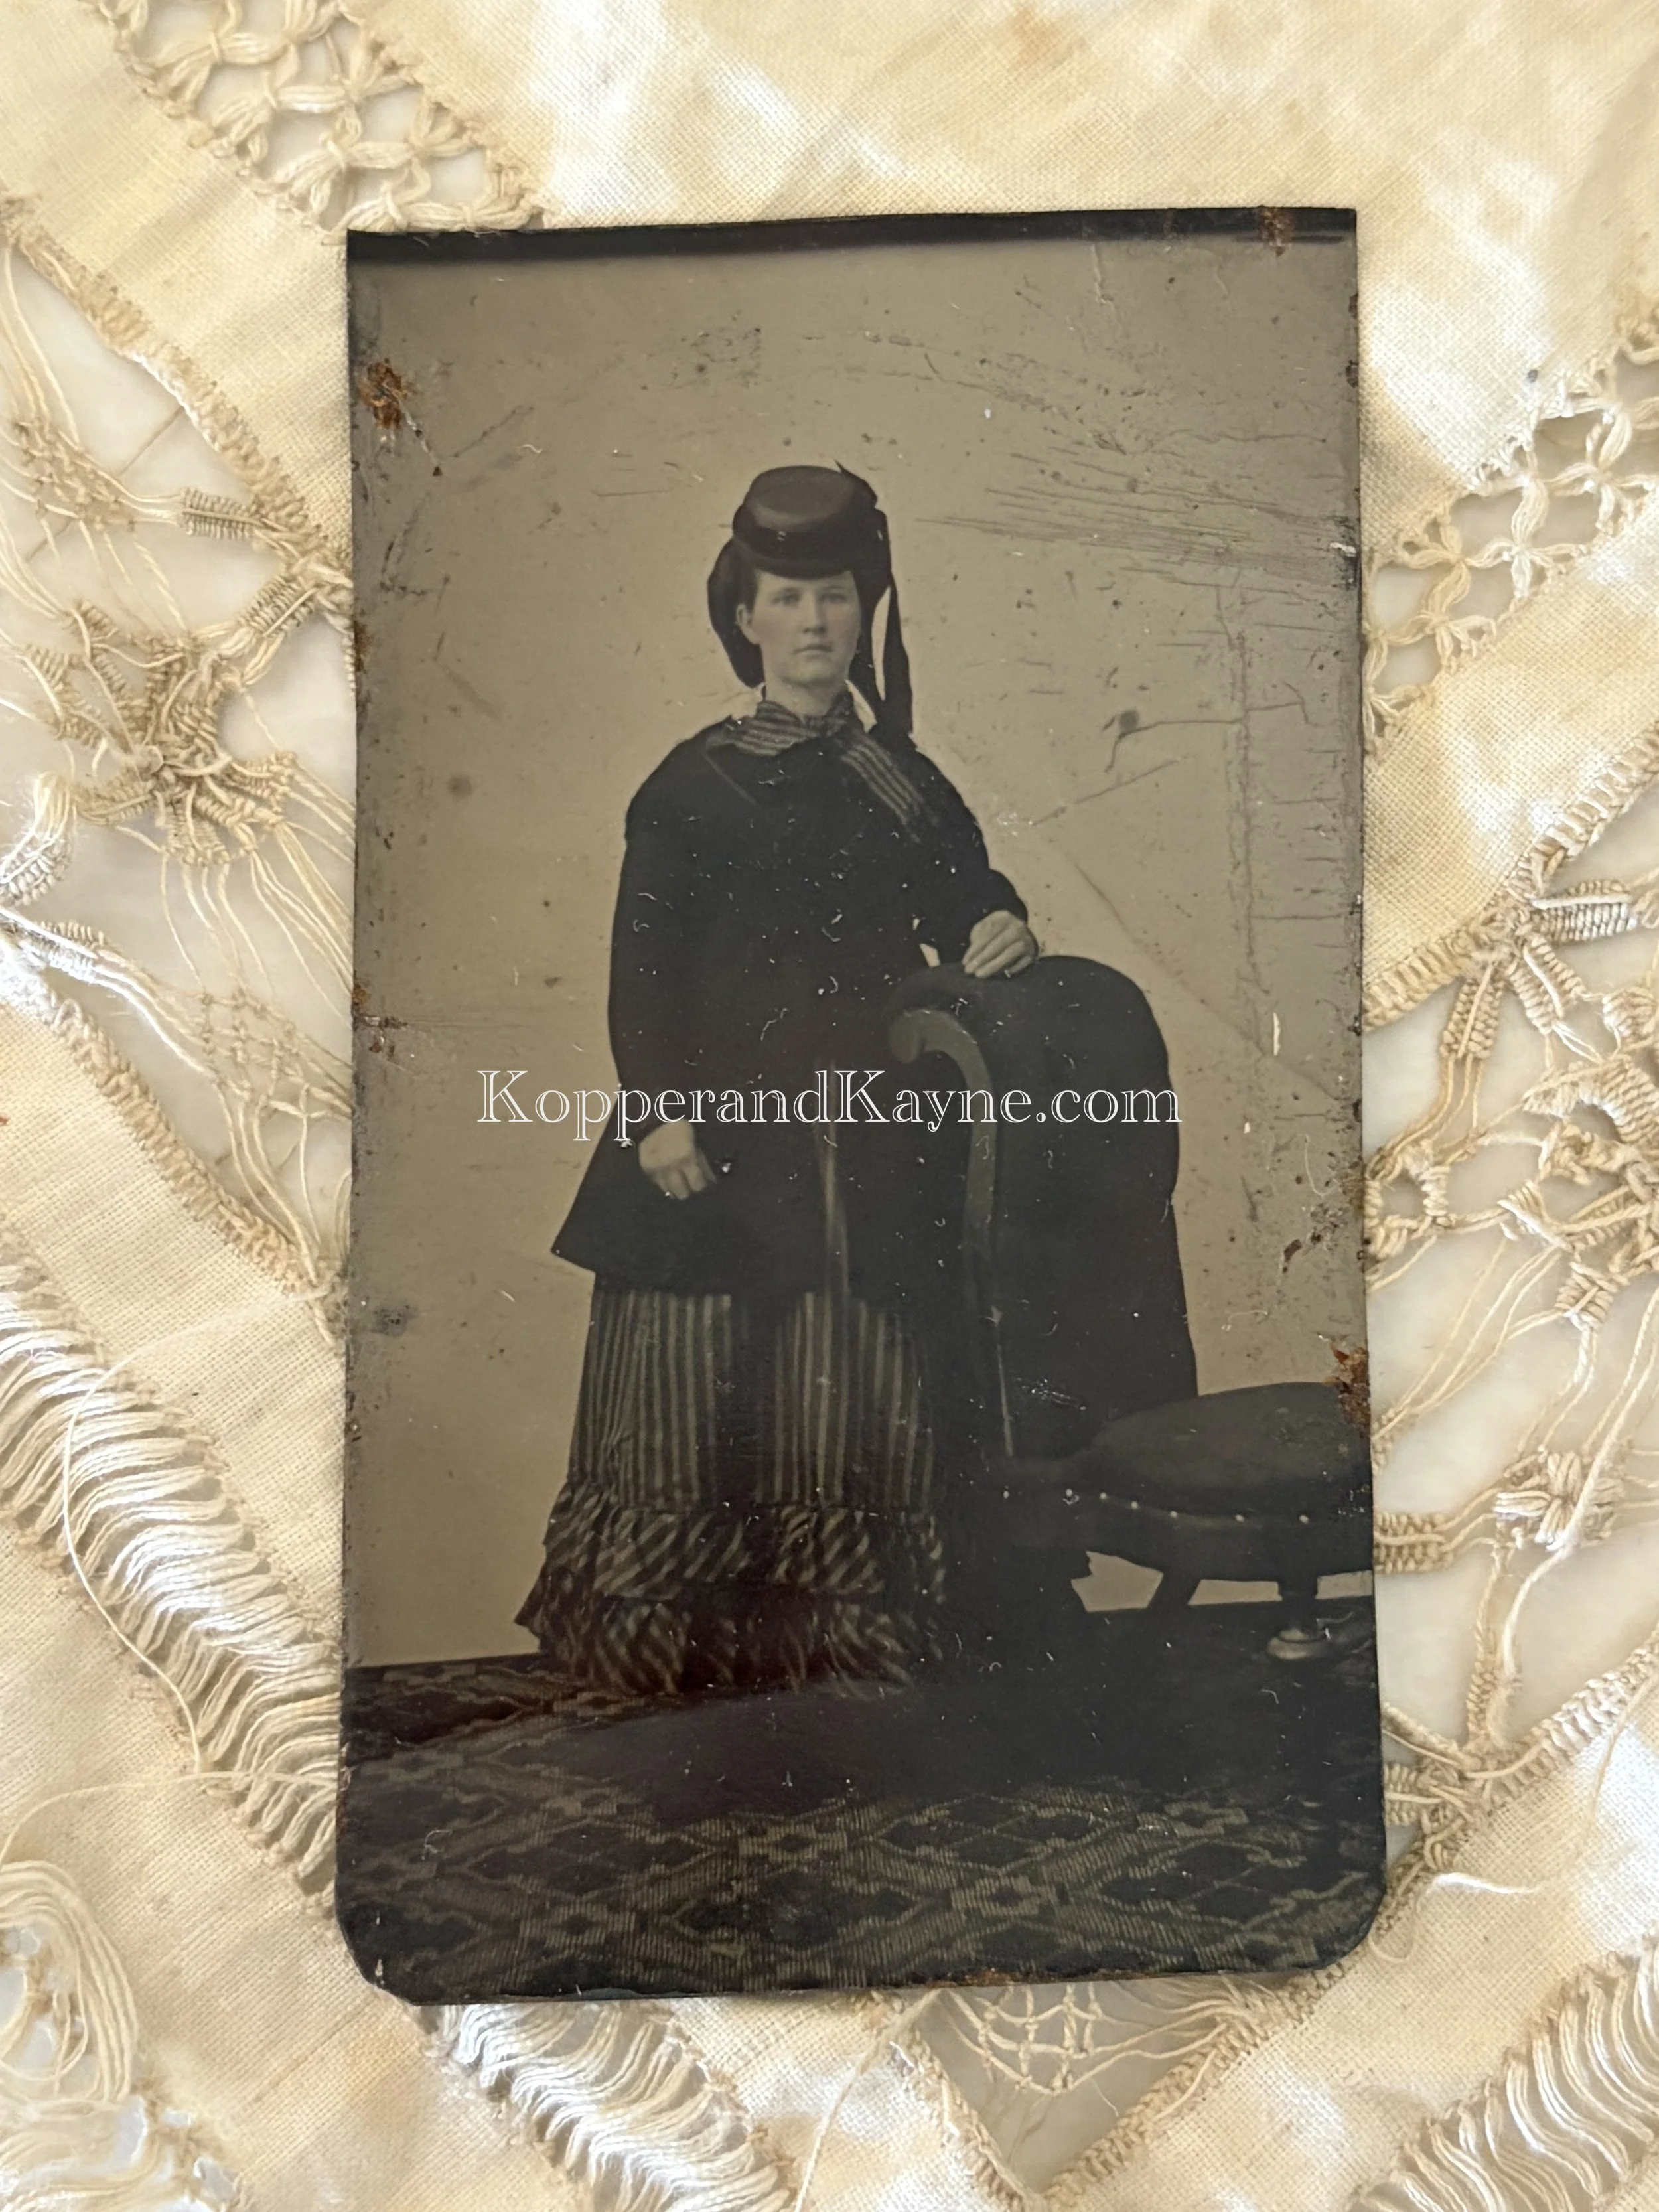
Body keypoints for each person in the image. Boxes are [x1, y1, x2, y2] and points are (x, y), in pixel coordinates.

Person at [517, 465, 1037, 1695]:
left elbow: (968, 898)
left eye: (838, 600)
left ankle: (848, 1636)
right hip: (718, 1129)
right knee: (707, 1376)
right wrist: (658, 1116)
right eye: (789, 600)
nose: (815, 625)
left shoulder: (900, 779)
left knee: (857, 1375)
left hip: (869, 1135)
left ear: (867, 613)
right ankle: (688, 1648)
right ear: (744, 617)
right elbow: (640, 977)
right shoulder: (690, 787)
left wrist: (1004, 922)